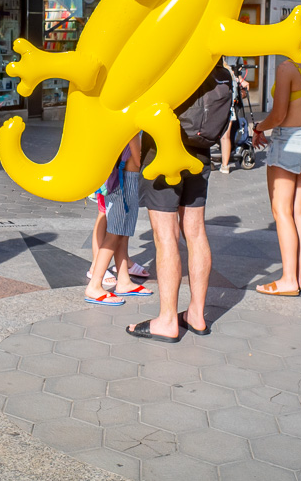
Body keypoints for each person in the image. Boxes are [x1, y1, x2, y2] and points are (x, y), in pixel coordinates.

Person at [126, 62, 232, 342]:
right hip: (201, 153)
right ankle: (196, 314)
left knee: (165, 237)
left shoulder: (173, 64)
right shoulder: (218, 70)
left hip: (162, 153)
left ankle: (167, 320)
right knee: (196, 233)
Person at [250, 42, 301, 297]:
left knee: (282, 210)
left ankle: (288, 279)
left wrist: (259, 127)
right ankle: (299, 276)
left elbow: (279, 114)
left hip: (288, 141)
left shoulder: (287, 68)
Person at [85, 134, 152, 305]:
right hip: (124, 181)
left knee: (121, 234)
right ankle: (94, 285)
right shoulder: (131, 128)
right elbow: (137, 158)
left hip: (121, 180)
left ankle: (124, 281)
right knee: (114, 234)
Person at [218, 59, 249, 174]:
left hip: (213, 109)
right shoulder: (230, 72)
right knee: (225, 137)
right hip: (228, 107)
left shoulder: (213, 72)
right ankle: (225, 166)